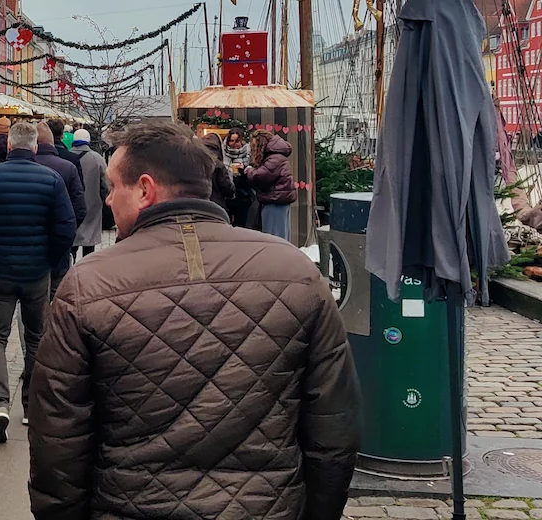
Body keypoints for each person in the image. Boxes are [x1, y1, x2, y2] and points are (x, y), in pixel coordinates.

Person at [28, 119, 359, 520]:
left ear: (145, 189)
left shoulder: (88, 284)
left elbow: (58, 440)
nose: (109, 199)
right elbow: (333, 427)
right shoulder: (296, 271)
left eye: (114, 186)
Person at [0, 121, 76, 445]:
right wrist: (49, 258)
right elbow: (66, 227)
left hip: (0, 271)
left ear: (9, 146)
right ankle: (30, 405)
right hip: (36, 274)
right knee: (37, 338)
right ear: (35, 147)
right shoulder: (51, 179)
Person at [34, 122, 85, 296]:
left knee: (32, 301)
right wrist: (66, 233)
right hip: (59, 244)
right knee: (57, 296)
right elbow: (80, 208)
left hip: (29, 251)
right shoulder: (68, 166)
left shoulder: (18, 167)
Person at [246, 128, 296, 241]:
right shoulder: (277, 156)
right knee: (280, 233)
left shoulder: (274, 158)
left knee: (274, 236)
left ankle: (278, 253)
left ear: (261, 144)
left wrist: (249, 170)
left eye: (255, 145)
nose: (253, 149)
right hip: (278, 199)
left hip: (275, 200)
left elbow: (261, 176)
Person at [70, 128, 110, 257]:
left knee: (72, 240)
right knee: (89, 240)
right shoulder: (97, 158)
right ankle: (87, 262)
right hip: (92, 206)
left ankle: (72, 260)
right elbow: (106, 184)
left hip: (72, 205)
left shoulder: (67, 156)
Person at [193, 123, 235, 211]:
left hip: (198, 204)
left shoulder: (195, 160)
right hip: (217, 205)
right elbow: (226, 187)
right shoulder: (218, 163)